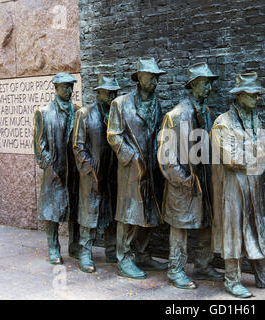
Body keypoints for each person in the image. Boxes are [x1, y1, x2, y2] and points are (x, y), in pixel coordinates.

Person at [210, 72, 265, 298]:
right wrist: (262, 150)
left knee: (257, 228)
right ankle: (232, 279)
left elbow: (262, 144)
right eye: (253, 95)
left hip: (254, 185)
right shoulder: (222, 123)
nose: (258, 99)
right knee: (233, 231)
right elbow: (232, 159)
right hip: (233, 188)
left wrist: (263, 147)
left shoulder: (255, 119)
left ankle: (263, 275)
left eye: (258, 95)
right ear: (240, 95)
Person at [158, 62, 224, 289]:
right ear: (194, 85)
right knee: (180, 227)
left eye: (210, 84)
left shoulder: (207, 113)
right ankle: (175, 270)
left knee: (207, 223)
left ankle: (203, 265)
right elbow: (166, 156)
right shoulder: (176, 115)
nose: (209, 88)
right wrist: (184, 180)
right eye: (205, 84)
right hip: (183, 185)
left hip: (205, 181)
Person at [107, 57, 168, 279]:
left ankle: (142, 254)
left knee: (151, 213)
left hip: (152, 168)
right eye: (151, 77)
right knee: (129, 214)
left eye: (156, 78)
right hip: (131, 170)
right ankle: (124, 259)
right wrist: (131, 157)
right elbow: (113, 136)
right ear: (139, 78)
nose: (154, 82)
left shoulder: (156, 103)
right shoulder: (120, 103)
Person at [72, 75, 121, 273]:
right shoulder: (85, 114)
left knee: (110, 214)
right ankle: (85, 253)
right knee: (89, 215)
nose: (112, 95)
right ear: (98, 92)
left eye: (114, 92)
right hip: (91, 175)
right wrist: (88, 170)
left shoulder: (115, 114)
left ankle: (112, 251)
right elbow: (78, 145)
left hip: (111, 173)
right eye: (108, 92)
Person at [34, 72, 81, 265]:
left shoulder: (78, 111)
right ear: (56, 88)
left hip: (75, 169)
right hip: (55, 170)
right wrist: (48, 164)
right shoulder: (44, 112)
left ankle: (75, 245)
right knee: (52, 212)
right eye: (65, 87)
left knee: (76, 209)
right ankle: (53, 247)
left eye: (71, 86)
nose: (69, 90)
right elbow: (39, 143)